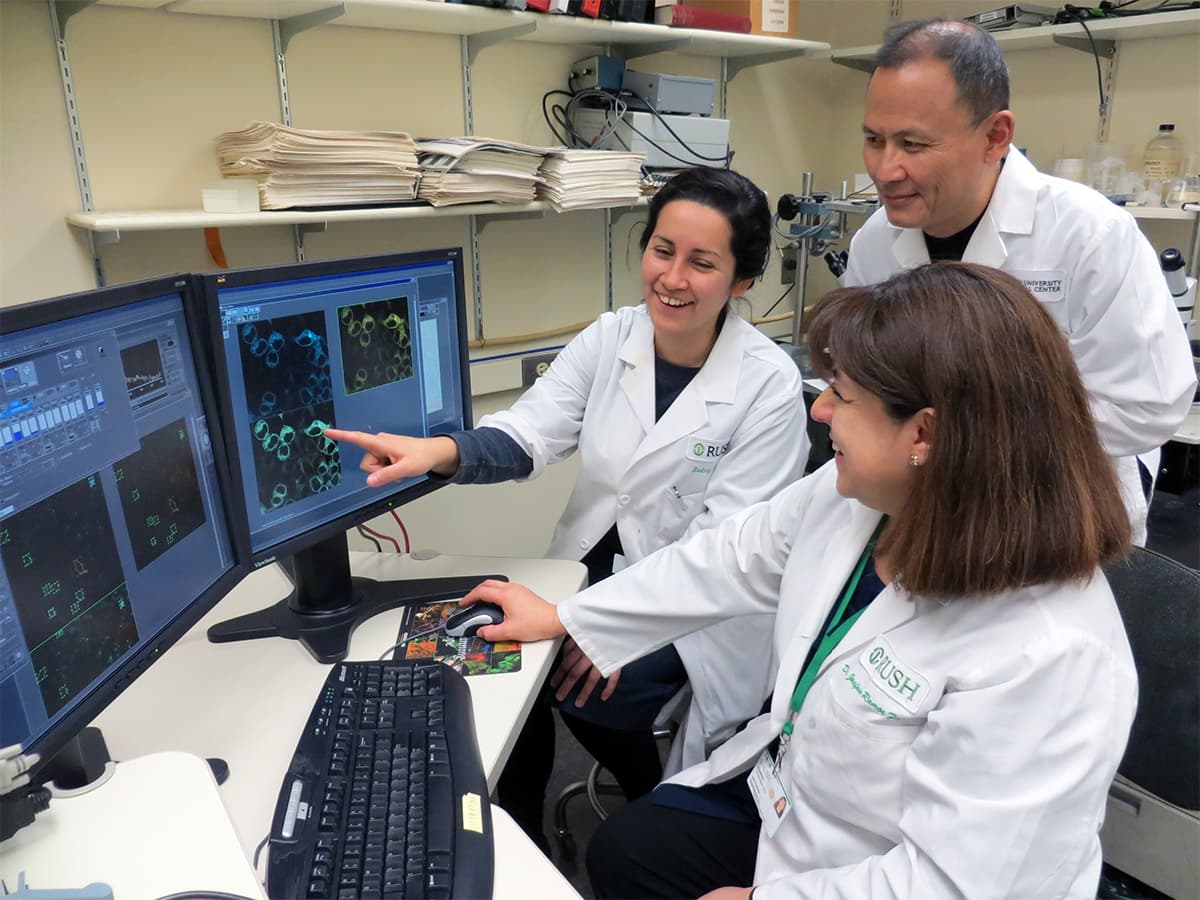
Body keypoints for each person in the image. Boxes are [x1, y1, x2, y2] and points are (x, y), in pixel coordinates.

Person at [467, 262, 1138, 899]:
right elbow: (728, 556)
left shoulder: (1049, 653)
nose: (820, 414)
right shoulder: (860, 500)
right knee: (625, 853)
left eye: (842, 397)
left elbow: (957, 884)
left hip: (889, 868)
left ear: (924, 435)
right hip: (799, 794)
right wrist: (566, 616)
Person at [326, 166, 809, 849]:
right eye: (662, 250)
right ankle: (520, 826)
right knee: (501, 647)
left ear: (742, 280)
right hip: (592, 562)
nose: (672, 278)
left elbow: (717, 555)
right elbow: (528, 435)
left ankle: (662, 808)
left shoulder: (769, 387)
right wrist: (437, 452)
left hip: (703, 605)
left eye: (702, 263)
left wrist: (598, 625)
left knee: (585, 681)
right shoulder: (612, 337)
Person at [842, 18, 1195, 545]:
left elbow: (1149, 406)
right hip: (923, 500)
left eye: (913, 145)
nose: (886, 169)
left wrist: (970, 428)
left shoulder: (1089, 234)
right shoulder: (875, 241)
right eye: (874, 139)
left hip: (1058, 506)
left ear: (995, 136)